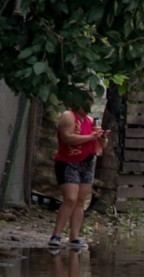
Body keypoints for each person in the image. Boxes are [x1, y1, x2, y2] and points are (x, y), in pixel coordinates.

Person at [48, 93, 107, 251]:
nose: (88, 107)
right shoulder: (68, 116)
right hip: (68, 162)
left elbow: (100, 144)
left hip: (87, 162)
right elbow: (67, 138)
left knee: (81, 200)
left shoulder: (89, 121)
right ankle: (56, 234)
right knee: (70, 198)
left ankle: (74, 236)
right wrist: (89, 137)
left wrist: (101, 138)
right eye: (86, 103)